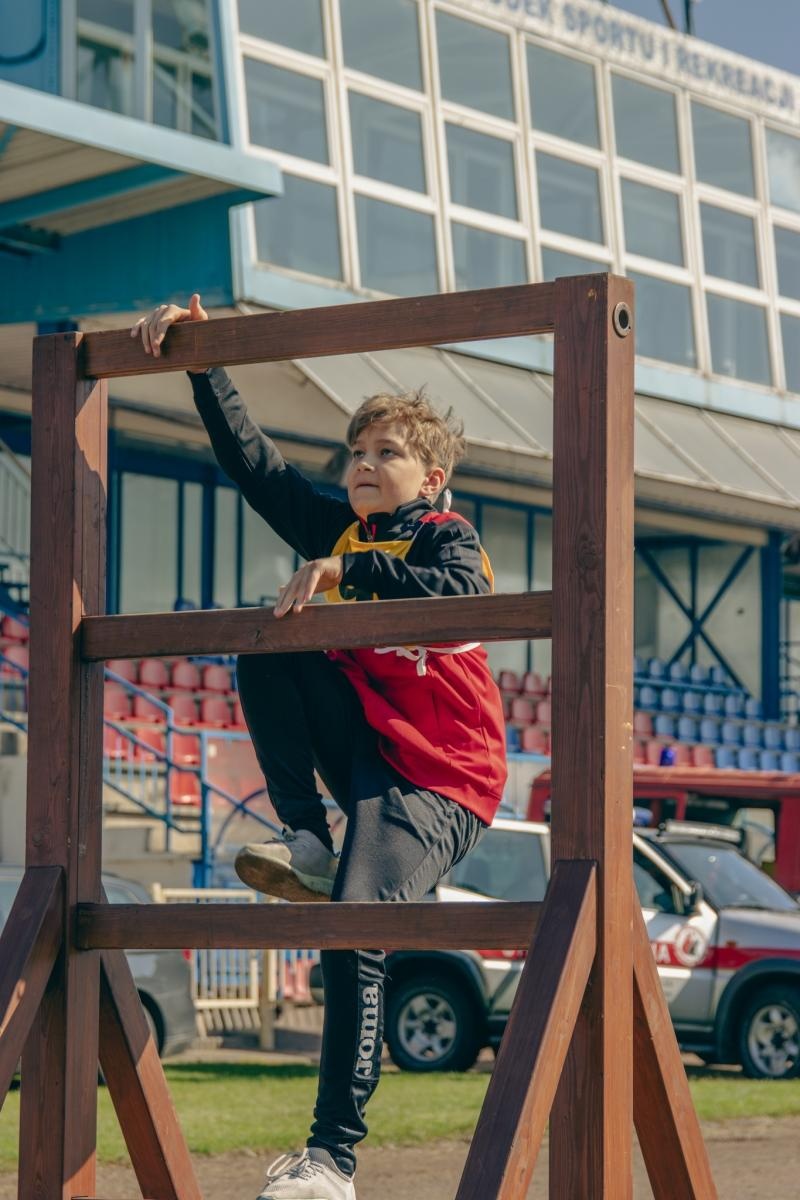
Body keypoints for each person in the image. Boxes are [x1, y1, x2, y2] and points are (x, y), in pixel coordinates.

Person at [131, 295, 508, 1200]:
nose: (365, 464)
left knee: (353, 934)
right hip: (372, 753)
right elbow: (257, 468)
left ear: (433, 476)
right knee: (267, 643)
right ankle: (305, 835)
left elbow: (440, 591)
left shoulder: (455, 541)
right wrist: (203, 360)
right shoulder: (340, 528)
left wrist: (347, 571)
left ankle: (332, 1158)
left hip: (444, 783)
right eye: (357, 452)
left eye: (388, 453)